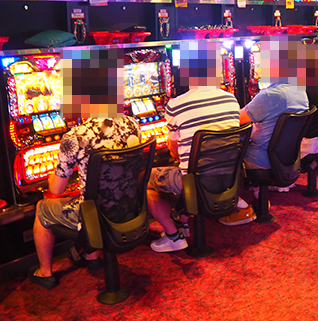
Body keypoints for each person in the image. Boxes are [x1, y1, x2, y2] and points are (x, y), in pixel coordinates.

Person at [29, 49, 142, 290]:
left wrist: (52, 175)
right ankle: (91, 256)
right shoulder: (133, 124)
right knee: (88, 195)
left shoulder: (75, 136)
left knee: (42, 208)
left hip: (94, 214)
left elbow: (56, 190)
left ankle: (45, 272)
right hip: (131, 206)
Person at [147, 41, 253, 254]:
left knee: (146, 177)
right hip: (228, 177)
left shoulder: (175, 105)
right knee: (182, 167)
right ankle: (183, 220)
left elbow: (174, 150)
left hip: (194, 182)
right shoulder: (231, 99)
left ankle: (173, 235)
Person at [241, 37, 309, 192]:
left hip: (261, 159)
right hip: (286, 158)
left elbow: (237, 119)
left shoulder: (270, 95)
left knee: (229, 145)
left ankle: (231, 197)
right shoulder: (299, 90)